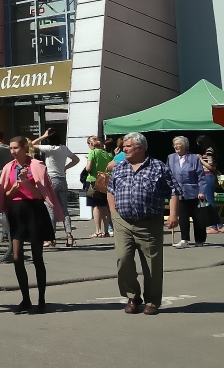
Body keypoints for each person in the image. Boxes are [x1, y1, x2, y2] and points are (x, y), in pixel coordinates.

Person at [108, 132, 181, 315]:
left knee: (152, 265)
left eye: (128, 146)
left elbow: (173, 191)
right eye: (124, 146)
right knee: (123, 259)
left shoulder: (158, 167)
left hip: (149, 222)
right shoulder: (119, 167)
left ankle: (153, 301)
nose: (124, 149)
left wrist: (173, 215)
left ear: (140, 147)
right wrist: (113, 212)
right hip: (122, 221)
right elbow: (110, 190)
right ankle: (132, 296)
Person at [0, 136, 64, 314]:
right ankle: (25, 299)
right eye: (10, 148)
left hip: (34, 210)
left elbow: (40, 195)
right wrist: (14, 188)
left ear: (25, 148)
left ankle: (41, 299)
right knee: (17, 258)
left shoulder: (36, 165)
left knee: (37, 258)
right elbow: (7, 194)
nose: (12, 151)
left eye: (16, 148)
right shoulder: (9, 167)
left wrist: (26, 181)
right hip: (17, 211)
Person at [31, 128, 80, 248]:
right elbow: (76, 159)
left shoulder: (49, 148)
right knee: (64, 209)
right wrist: (65, 167)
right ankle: (69, 235)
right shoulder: (64, 148)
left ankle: (51, 238)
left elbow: (31, 145)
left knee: (50, 209)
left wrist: (43, 136)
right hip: (63, 180)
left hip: (51, 180)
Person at [167, 136, 209, 248]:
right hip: (178, 192)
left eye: (178, 144)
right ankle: (184, 239)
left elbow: (201, 175)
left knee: (198, 217)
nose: (176, 146)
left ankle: (200, 240)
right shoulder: (171, 158)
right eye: (174, 144)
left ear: (185, 145)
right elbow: (168, 174)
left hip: (194, 192)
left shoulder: (194, 158)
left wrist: (202, 191)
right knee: (183, 217)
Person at [84, 135, 113, 238]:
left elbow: (88, 168)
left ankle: (98, 230)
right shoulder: (107, 154)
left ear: (91, 144)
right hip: (104, 181)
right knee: (104, 206)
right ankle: (106, 231)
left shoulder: (93, 153)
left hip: (93, 180)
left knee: (96, 206)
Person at [198, 135, 224, 234]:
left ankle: (214, 226)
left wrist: (200, 159)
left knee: (209, 202)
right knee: (209, 201)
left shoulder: (209, 151)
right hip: (210, 176)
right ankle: (219, 225)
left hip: (208, 176)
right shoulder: (212, 150)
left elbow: (211, 166)